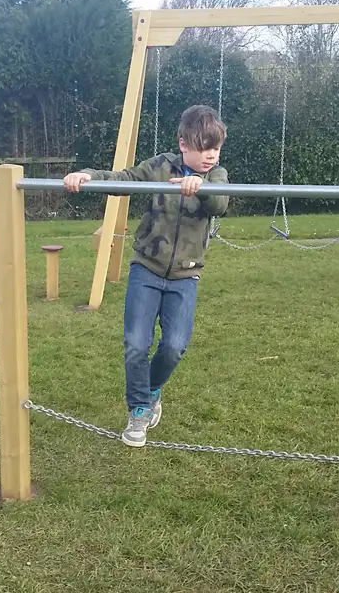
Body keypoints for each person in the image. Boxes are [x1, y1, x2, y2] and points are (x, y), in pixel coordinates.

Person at [63, 104, 229, 447]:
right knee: (136, 344)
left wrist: (199, 185)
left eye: (215, 148)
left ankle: (152, 392)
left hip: (185, 276)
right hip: (147, 269)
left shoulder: (216, 176)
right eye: (203, 148)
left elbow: (220, 204)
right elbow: (125, 180)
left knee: (174, 346)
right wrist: (89, 175)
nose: (210, 155)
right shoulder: (160, 167)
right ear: (184, 144)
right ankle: (138, 410)